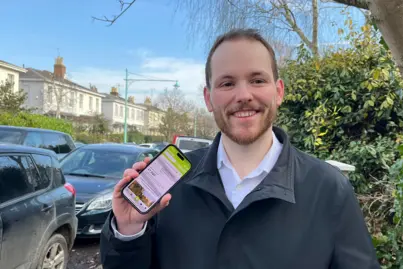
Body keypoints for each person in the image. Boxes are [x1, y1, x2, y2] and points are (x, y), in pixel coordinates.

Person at [100, 28, 380, 269]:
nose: (243, 95)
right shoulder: (169, 185)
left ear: (278, 91)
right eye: (227, 83)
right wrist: (128, 230)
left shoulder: (329, 190)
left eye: (257, 80)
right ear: (208, 99)